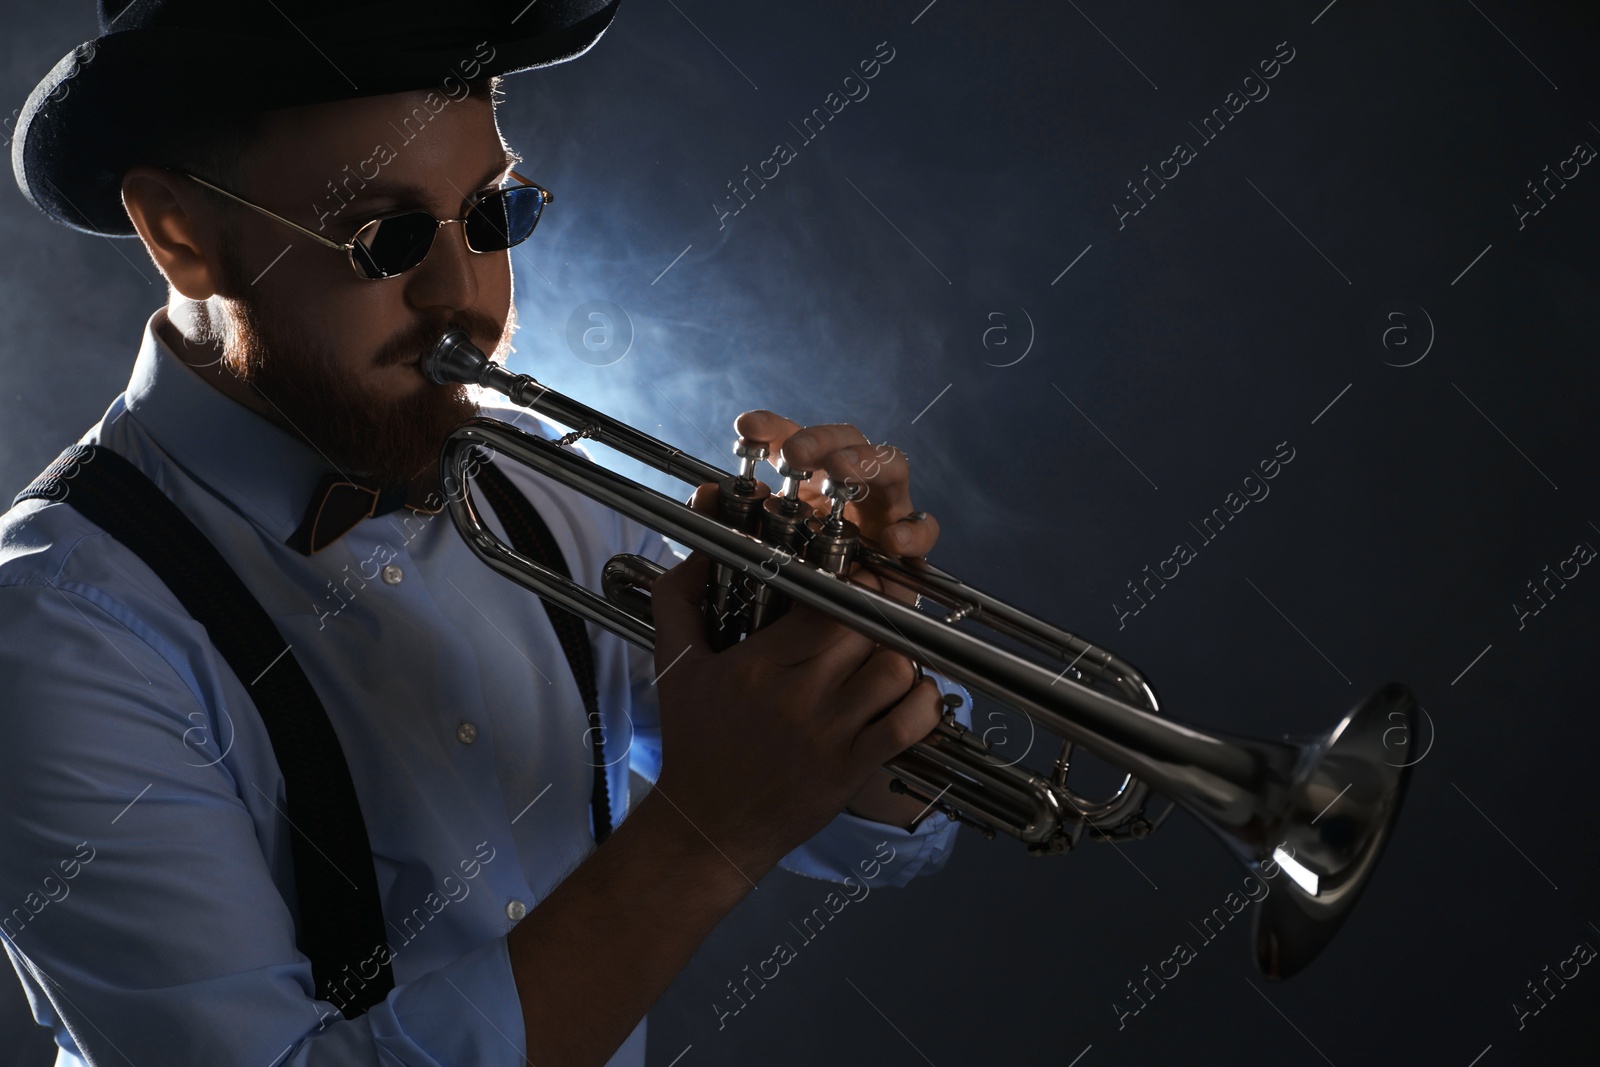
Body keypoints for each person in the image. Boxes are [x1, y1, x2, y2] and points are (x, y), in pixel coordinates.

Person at [0, 2, 967, 1065]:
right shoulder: (53, 630)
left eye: (488, 217)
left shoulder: (530, 472)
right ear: (182, 233)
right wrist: (702, 837)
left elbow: (868, 840)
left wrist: (848, 654)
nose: (464, 293)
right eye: (388, 236)